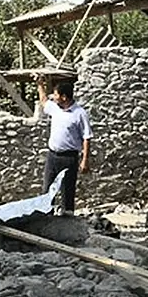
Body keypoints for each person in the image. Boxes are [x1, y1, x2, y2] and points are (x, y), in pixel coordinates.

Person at [36, 76, 93, 216]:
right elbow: (43, 100)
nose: (53, 97)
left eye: (55, 95)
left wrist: (85, 160)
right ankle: (46, 217)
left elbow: (86, 137)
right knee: (47, 189)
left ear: (64, 97)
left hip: (69, 157)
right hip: (52, 155)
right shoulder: (55, 108)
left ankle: (67, 219)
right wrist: (40, 84)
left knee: (67, 190)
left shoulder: (79, 114)